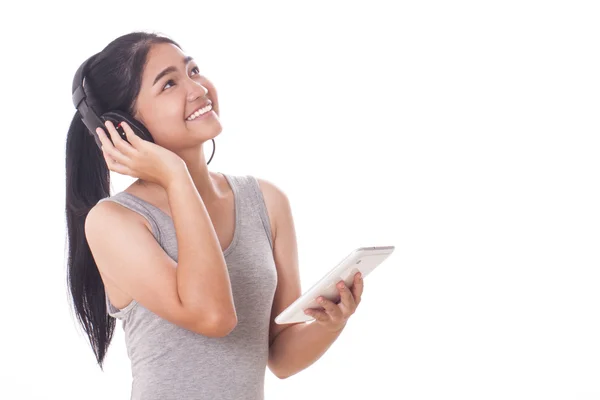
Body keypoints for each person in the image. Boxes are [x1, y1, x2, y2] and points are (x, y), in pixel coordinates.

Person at [65, 31, 365, 400]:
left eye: (193, 70)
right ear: (123, 126)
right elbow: (214, 317)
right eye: (170, 83)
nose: (197, 88)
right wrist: (175, 175)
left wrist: (331, 323)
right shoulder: (115, 221)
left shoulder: (266, 202)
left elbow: (281, 357)